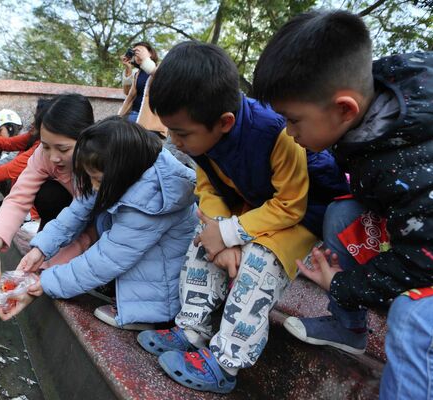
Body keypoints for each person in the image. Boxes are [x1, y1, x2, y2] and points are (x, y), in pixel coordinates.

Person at [135, 41, 349, 394]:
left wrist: (233, 233)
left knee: (259, 266)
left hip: (304, 212)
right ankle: (191, 330)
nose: (174, 142)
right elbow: (208, 190)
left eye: (181, 134)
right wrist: (220, 236)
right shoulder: (200, 137)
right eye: (170, 130)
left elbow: (291, 205)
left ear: (224, 122)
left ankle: (225, 364)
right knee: (203, 243)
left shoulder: (277, 131)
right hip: (256, 204)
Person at [251, 10, 433, 399]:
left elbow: (420, 262)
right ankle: (347, 327)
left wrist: (342, 284)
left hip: (427, 250)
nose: (288, 131)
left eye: (293, 120)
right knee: (344, 214)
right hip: (419, 227)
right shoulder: (372, 109)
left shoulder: (421, 168)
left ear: (345, 108)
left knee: (413, 318)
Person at [0, 117, 198, 330]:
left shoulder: (152, 201)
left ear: (120, 171)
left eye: (97, 179)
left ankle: (145, 314)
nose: (93, 185)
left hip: (159, 288)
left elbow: (108, 258)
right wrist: (41, 249)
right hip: (132, 257)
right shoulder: (125, 170)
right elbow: (76, 212)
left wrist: (45, 283)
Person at [0, 94, 95, 297]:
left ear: (87, 139)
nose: (53, 157)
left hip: (97, 229)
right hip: (64, 223)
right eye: (46, 146)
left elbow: (92, 226)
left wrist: (47, 272)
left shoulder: (99, 166)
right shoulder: (42, 156)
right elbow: (18, 199)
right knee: (48, 194)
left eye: (63, 149)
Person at [119, 42, 195, 169]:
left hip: (149, 121)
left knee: (145, 156)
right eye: (134, 51)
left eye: (139, 50)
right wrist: (128, 67)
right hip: (133, 116)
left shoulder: (159, 68)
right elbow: (128, 93)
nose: (136, 53)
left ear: (150, 53)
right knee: (128, 152)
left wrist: (146, 60)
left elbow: (163, 78)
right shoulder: (138, 74)